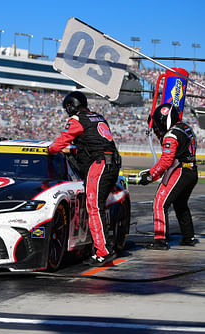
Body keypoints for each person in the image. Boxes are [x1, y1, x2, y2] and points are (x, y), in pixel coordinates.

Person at [48, 91, 121, 266]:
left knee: (94, 207)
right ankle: (103, 247)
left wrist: (49, 150)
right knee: (99, 206)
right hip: (112, 163)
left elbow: (61, 142)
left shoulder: (77, 120)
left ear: (70, 106)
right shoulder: (98, 117)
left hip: (100, 164)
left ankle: (103, 251)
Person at [139, 103, 198, 250]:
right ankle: (188, 237)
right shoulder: (185, 128)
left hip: (180, 171)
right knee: (180, 204)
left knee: (160, 202)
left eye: (159, 122)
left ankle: (160, 240)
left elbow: (166, 161)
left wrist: (150, 176)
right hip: (192, 170)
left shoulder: (171, 135)